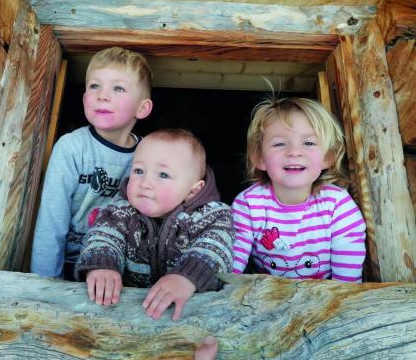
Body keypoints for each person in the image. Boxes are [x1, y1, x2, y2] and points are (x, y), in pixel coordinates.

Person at [76, 129, 235, 321]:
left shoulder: (213, 216)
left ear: (193, 190)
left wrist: (186, 278)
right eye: (139, 171)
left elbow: (214, 250)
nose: (145, 183)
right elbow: (103, 236)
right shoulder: (120, 210)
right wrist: (102, 265)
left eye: (163, 175)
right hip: (125, 309)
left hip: (188, 312)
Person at [31, 47, 153, 279]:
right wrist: (45, 283)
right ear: (85, 97)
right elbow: (51, 220)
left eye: (118, 88)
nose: (102, 95)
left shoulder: (149, 152)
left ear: (142, 108)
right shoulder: (72, 148)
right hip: (74, 264)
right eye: (94, 86)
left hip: (127, 268)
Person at [232, 97, 366, 282]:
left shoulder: (338, 205)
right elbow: (233, 260)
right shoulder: (248, 204)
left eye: (309, 143)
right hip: (263, 295)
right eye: (280, 144)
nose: (295, 151)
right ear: (260, 158)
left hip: (324, 295)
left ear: (327, 157)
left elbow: (347, 276)